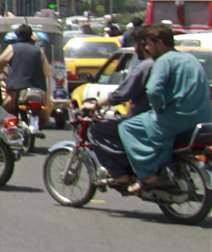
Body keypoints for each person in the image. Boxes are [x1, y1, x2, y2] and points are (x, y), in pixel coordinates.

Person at [119, 25, 212, 192]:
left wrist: (158, 107)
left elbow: (153, 90)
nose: (146, 48)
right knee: (158, 129)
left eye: (148, 44)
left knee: (127, 127)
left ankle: (148, 176)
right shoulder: (190, 58)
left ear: (160, 43)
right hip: (204, 117)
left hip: (179, 117)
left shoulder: (164, 60)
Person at [87, 41, 153, 182]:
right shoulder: (167, 63)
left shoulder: (145, 66)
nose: (135, 49)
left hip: (142, 119)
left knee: (96, 130)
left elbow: (122, 93)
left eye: (136, 45)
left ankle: (120, 173)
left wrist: (96, 105)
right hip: (153, 117)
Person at [0, 23, 52, 112]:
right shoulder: (39, 51)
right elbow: (47, 71)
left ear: (17, 36)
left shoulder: (12, 48)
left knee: (3, 112)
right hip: (38, 89)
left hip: (16, 89)